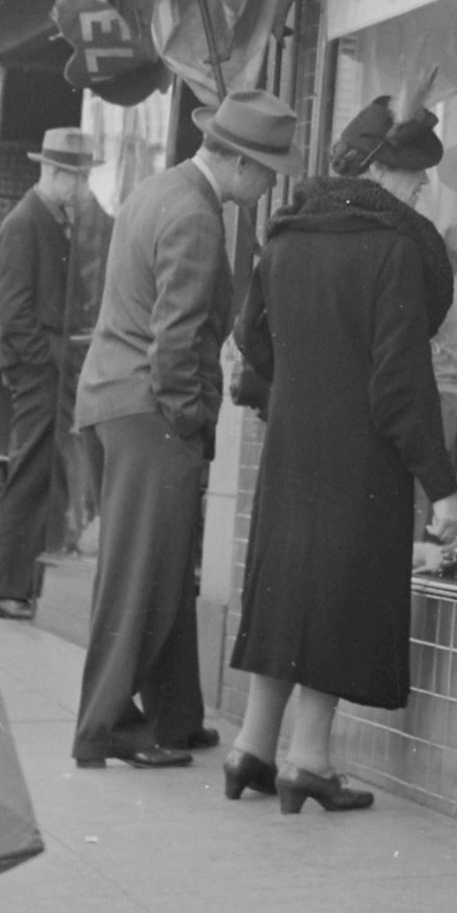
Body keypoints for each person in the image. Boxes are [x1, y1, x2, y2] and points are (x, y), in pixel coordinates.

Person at [225, 97, 457, 811]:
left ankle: (251, 747)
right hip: (360, 461)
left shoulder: (286, 235)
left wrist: (296, 396)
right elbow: (401, 386)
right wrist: (443, 487)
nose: (423, 192)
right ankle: (309, 759)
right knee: (334, 599)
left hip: (292, 449)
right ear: (384, 173)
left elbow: (254, 344)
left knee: (284, 595)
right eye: (416, 178)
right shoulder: (393, 249)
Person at [69, 86, 295, 769]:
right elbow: (175, 340)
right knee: (144, 575)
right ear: (244, 164)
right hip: (151, 410)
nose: (266, 187)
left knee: (160, 567)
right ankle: (100, 726)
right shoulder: (198, 217)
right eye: (268, 173)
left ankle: (174, 715)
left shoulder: (157, 189)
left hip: (115, 398)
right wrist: (192, 424)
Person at [0, 128, 114, 620]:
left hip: (50, 370)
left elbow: (106, 229)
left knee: (45, 475)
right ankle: (9, 588)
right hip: (40, 373)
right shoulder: (25, 222)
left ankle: (23, 585)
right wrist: (44, 362)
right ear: (57, 173)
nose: (81, 188)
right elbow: (13, 311)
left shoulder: (55, 216)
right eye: (77, 178)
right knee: (30, 475)